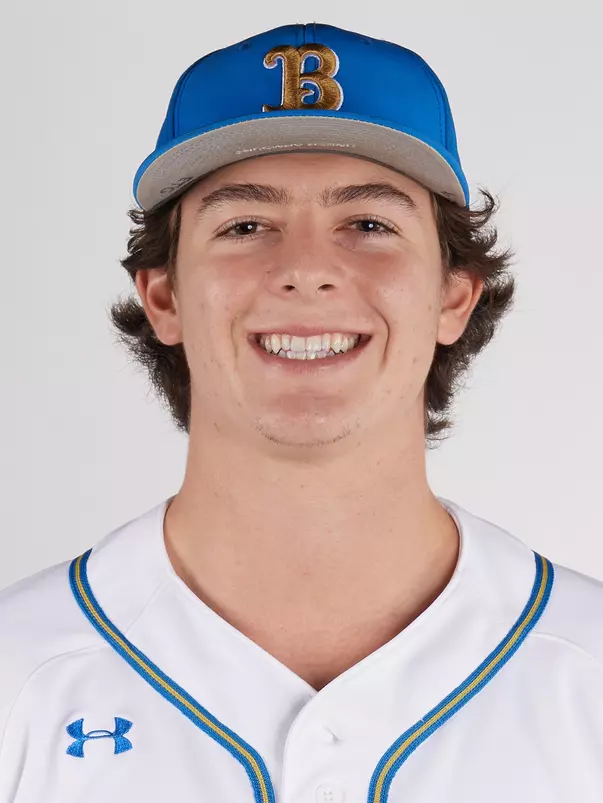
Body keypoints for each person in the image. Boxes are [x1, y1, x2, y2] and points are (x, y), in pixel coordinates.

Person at [1, 21, 602, 803]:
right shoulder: (18, 672)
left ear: (452, 295)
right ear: (164, 295)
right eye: (245, 225)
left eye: (369, 224)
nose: (308, 270)